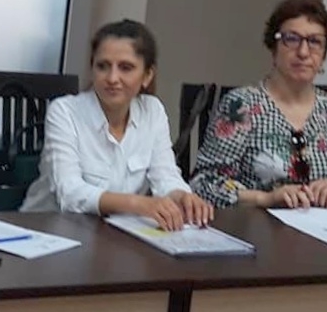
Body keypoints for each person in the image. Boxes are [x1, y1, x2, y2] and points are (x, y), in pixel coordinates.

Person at [191, 0, 327, 211]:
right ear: (274, 48)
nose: (303, 52)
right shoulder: (242, 105)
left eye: (314, 42)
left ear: (324, 55)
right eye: (292, 39)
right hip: (255, 225)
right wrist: (266, 199)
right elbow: (203, 184)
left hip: (321, 228)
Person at [22, 19, 213, 230]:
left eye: (126, 68)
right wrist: (139, 204)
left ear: (147, 75)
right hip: (47, 230)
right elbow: (70, 193)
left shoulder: (153, 110)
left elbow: (165, 176)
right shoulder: (64, 111)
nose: (112, 78)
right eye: (102, 66)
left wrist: (182, 196)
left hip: (110, 232)